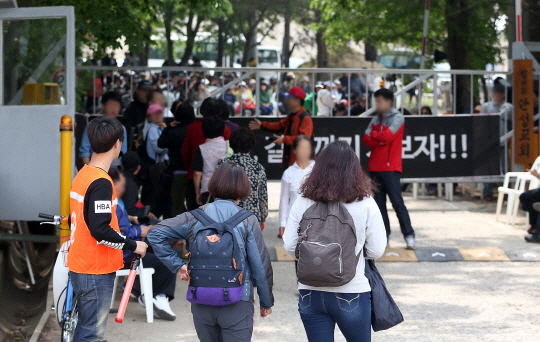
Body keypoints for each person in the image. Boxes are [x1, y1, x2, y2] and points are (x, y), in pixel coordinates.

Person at [147, 163, 274, 342]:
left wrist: (178, 266)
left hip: (201, 300)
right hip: (238, 301)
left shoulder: (193, 217)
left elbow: (155, 233)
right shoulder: (248, 221)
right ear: (243, 188)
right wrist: (266, 302)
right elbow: (260, 266)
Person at [283, 141, 386, 342]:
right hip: (351, 290)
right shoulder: (365, 202)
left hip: (309, 291)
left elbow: (289, 246)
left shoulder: (303, 200)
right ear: (354, 169)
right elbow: (376, 250)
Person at [67, 116, 148, 341]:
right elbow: (100, 230)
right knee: (91, 334)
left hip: (81, 264)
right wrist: (134, 245)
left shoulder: (83, 174)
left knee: (85, 329)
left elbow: (87, 219)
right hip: (94, 268)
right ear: (117, 144)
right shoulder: (102, 182)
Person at [108, 168, 177, 320]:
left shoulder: (110, 202)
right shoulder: (111, 205)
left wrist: (132, 219)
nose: (124, 189)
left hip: (122, 249)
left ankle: (146, 292)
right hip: (123, 254)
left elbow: (119, 226)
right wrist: (142, 230)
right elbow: (121, 233)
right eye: (122, 185)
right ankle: (156, 295)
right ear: (114, 184)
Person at [363, 88, 416, 249]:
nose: (377, 104)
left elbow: (387, 136)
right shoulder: (375, 118)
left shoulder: (398, 118)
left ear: (389, 101)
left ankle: (409, 235)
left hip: (390, 168)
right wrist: (380, 138)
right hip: (374, 167)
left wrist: (377, 136)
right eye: (376, 101)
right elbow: (366, 139)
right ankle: (384, 237)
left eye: (380, 101)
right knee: (379, 207)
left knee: (397, 203)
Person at [182, 98, 232, 210]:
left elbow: (185, 151)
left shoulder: (193, 127)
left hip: (199, 179)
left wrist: (190, 168)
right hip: (224, 184)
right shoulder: (225, 129)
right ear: (219, 111)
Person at [217, 128, 268, 231]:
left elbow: (216, 191)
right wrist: (263, 218)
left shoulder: (222, 164)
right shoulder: (258, 167)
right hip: (251, 217)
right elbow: (263, 197)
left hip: (226, 216)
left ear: (231, 144)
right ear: (251, 146)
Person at [249, 86, 314, 168]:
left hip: (302, 165)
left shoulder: (305, 118)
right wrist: (262, 125)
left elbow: (304, 140)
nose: (286, 100)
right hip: (292, 161)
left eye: (289, 98)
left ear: (297, 100)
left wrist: (284, 139)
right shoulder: (292, 116)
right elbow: (279, 126)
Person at [158, 103, 196, 216]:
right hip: (195, 172)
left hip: (177, 171)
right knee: (193, 207)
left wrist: (168, 127)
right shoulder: (196, 130)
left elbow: (161, 143)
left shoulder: (173, 131)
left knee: (177, 207)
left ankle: (176, 232)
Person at [480, 83, 514, 200]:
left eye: (501, 92)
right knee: (488, 168)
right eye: (497, 91)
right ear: (493, 93)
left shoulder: (509, 107)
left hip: (504, 140)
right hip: (489, 142)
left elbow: (512, 124)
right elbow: (481, 123)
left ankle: (505, 193)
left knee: (505, 168)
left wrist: (510, 136)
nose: (498, 94)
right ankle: (487, 192)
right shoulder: (486, 106)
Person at [79, 91, 128, 168]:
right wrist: (90, 170)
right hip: (95, 168)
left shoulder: (122, 129)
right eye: (111, 105)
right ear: (103, 106)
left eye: (117, 105)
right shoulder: (92, 126)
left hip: (115, 171)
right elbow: (84, 152)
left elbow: (123, 154)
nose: (114, 108)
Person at [278, 135, 314, 238]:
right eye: (302, 148)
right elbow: (284, 200)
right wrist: (282, 223)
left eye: (307, 148)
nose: (305, 151)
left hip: (315, 222)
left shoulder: (317, 170)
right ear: (294, 150)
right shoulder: (288, 173)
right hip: (293, 222)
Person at [192, 116, 229, 205]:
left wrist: (197, 193)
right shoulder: (229, 147)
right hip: (228, 189)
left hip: (208, 189)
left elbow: (197, 173)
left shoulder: (202, 148)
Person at [121, 151, 157, 221]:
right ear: (139, 167)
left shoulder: (117, 177)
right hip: (125, 220)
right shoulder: (131, 184)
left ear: (121, 164)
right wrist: (144, 212)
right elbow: (130, 210)